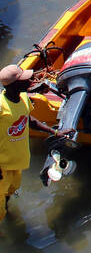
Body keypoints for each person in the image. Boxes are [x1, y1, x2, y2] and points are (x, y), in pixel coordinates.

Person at [0, 65, 63, 223]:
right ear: (13, 85)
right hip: (2, 167)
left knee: (9, 192)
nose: (29, 80)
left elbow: (28, 120)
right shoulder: (1, 107)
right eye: (23, 79)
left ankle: (6, 212)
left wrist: (54, 132)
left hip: (17, 161)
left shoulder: (22, 98)